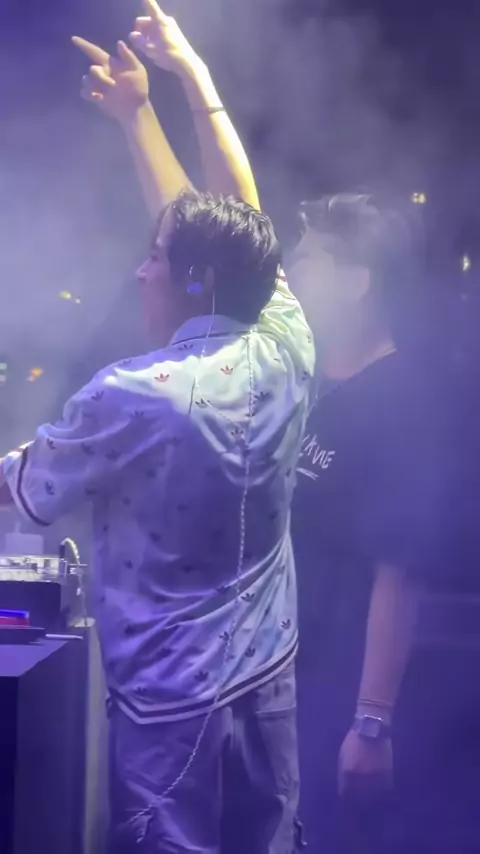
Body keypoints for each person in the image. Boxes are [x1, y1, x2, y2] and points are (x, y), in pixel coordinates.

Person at [0, 3, 315, 852]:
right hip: (269, 690)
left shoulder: (134, 395)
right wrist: (171, 89)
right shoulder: (287, 345)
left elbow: (20, 492)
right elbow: (238, 220)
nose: (139, 272)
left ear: (195, 280)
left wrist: (159, 96)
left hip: (171, 715)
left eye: (152, 258)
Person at [289, 194, 436, 852]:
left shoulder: (399, 403)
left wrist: (371, 722)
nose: (290, 272)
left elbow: (397, 572)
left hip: (340, 695)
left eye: (307, 260)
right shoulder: (319, 385)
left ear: (356, 283)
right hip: (294, 685)